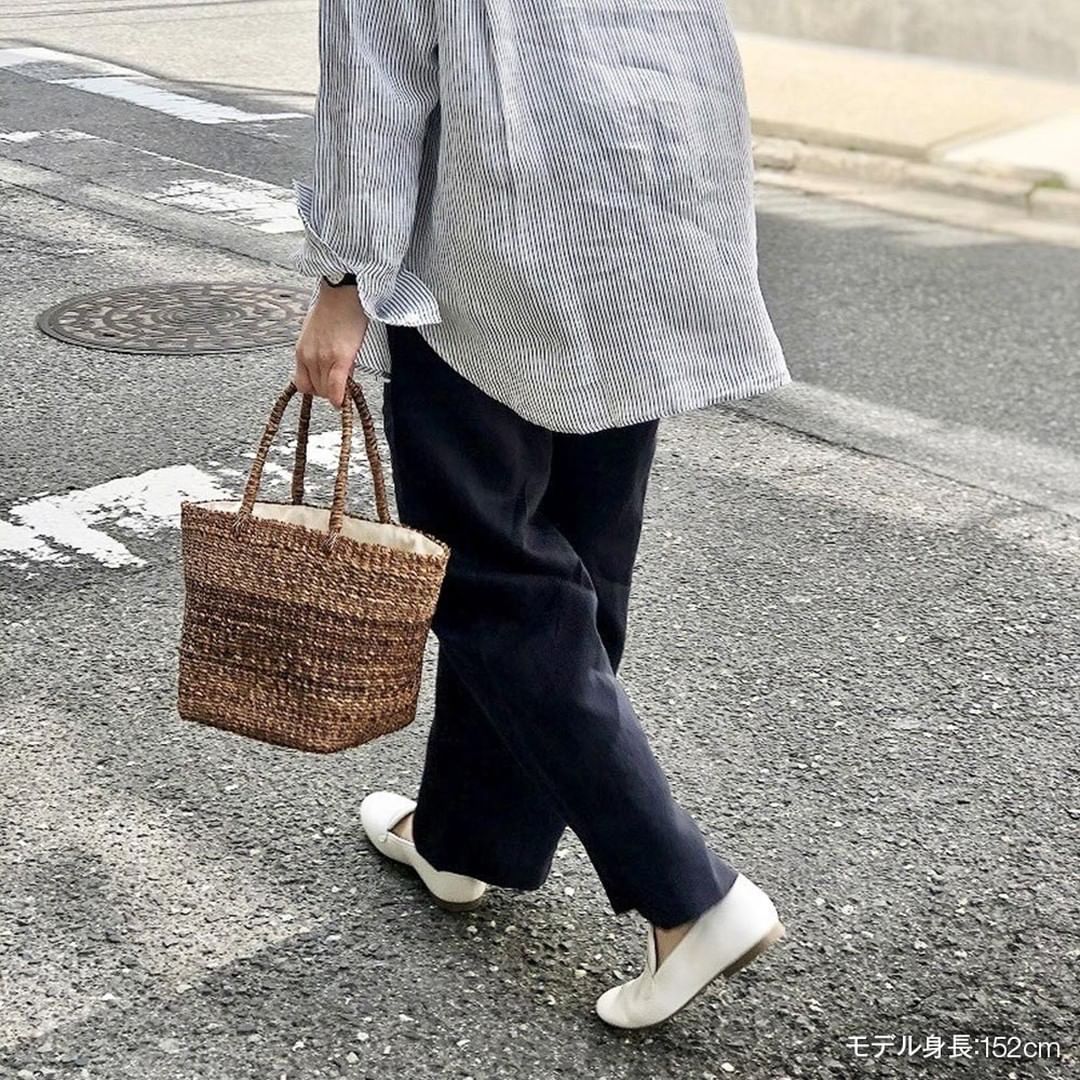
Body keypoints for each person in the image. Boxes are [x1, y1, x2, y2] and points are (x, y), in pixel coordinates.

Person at [291, 0, 791, 1029]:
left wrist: (342, 279)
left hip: (496, 235)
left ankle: (687, 897)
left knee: (493, 581)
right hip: (652, 204)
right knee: (583, 557)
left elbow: (376, 86)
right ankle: (464, 840)